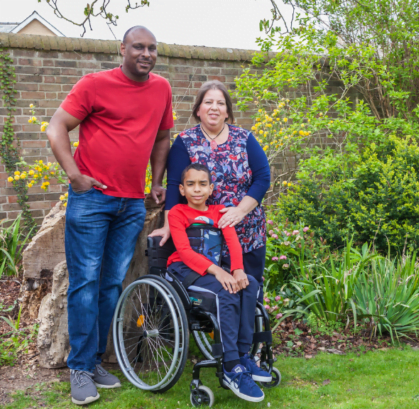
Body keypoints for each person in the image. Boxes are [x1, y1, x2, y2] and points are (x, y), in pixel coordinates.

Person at [46, 26, 173, 406]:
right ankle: (80, 369)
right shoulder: (94, 84)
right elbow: (56, 127)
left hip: (131, 204)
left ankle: (96, 360)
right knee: (85, 282)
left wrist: (156, 180)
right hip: (92, 200)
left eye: (152, 48)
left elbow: (163, 136)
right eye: (139, 46)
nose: (146, 53)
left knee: (111, 285)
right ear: (122, 49)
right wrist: (75, 176)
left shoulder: (161, 89)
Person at [150, 80, 271, 304]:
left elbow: (263, 178)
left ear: (227, 112)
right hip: (204, 237)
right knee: (219, 294)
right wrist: (168, 224)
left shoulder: (245, 139)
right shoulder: (185, 142)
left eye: (220, 103)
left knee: (250, 288)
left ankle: (252, 337)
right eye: (208, 102)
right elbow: (175, 185)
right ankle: (224, 337)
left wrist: (240, 212)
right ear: (198, 110)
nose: (214, 107)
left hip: (246, 232)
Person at [167, 163, 271, 402]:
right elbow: (184, 251)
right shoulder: (177, 213)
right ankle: (230, 365)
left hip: (214, 270)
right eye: (191, 184)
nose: (197, 189)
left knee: (250, 285)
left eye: (202, 184)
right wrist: (220, 273)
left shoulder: (220, 212)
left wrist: (237, 270)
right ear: (182, 189)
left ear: (211, 188)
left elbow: (233, 243)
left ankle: (243, 354)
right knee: (225, 292)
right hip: (185, 269)